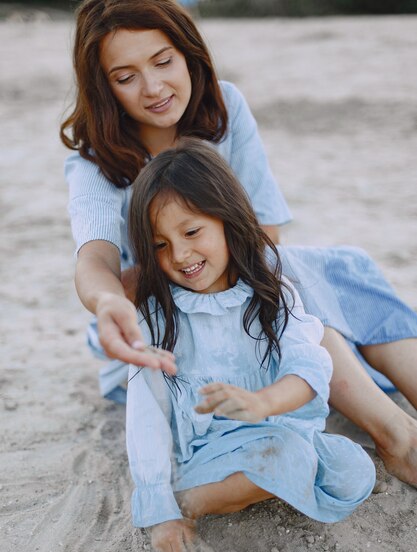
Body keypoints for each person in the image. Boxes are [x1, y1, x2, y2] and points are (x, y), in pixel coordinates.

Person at [61, 0, 417, 487]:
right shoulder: (94, 163)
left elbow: (264, 231)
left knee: (334, 266)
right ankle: (399, 438)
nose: (154, 87)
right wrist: (106, 300)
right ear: (104, 88)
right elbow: (96, 258)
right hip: (167, 328)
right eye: (125, 77)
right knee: (282, 278)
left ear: (189, 54)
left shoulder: (224, 108)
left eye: (163, 62)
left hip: (239, 294)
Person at [125, 138, 376, 552]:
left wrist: (264, 403)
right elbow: (144, 416)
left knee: (356, 472)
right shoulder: (158, 318)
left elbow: (309, 365)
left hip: (287, 430)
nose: (179, 255)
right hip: (207, 454)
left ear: (227, 220)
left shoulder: (274, 294)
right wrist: (161, 508)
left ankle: (264, 481)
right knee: (284, 456)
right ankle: (193, 501)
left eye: (190, 232)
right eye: (160, 245)